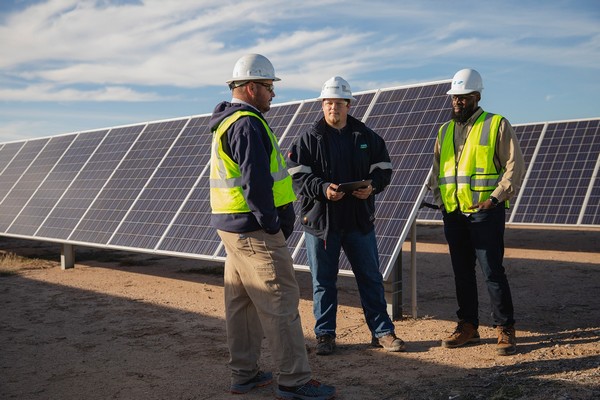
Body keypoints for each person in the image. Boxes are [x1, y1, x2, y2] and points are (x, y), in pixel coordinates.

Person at [209, 53, 335, 399]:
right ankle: (295, 379)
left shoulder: (228, 121)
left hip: (233, 228)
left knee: (243, 302)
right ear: (251, 88)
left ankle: (244, 374)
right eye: (268, 87)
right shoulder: (247, 124)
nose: (272, 95)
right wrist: (271, 225)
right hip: (254, 230)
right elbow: (256, 183)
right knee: (280, 299)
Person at [287, 76, 405, 356]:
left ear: (348, 105)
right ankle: (325, 334)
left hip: (357, 220)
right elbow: (297, 177)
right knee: (323, 281)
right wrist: (322, 189)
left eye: (338, 103)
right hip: (321, 222)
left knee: (370, 277)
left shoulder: (366, 137)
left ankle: (382, 332)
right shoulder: (307, 139)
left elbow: (384, 168)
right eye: (328, 103)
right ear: (322, 105)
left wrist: (372, 186)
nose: (333, 108)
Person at [428, 68, 525, 356]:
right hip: (454, 213)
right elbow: (436, 172)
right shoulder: (444, 131)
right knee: (462, 273)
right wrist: (443, 203)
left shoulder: (496, 124)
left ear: (476, 97)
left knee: (492, 271)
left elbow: (514, 165)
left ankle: (505, 328)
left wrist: (494, 199)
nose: (457, 102)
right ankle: (468, 327)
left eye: (463, 98)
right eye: (454, 98)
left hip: (486, 212)